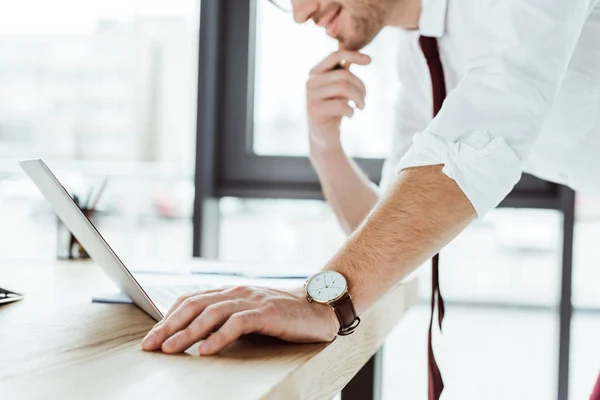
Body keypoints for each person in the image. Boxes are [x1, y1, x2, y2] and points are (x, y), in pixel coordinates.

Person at [142, 0, 600, 395]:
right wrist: (324, 146)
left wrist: (322, 303)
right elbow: (390, 231)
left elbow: (484, 135)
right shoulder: (419, 55)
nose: (301, 14)